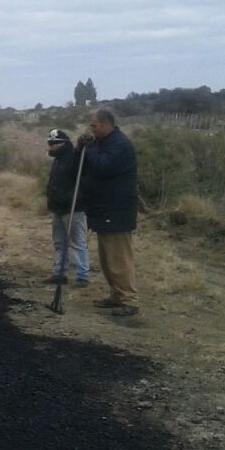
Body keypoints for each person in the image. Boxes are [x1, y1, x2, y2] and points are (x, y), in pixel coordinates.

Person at [78, 109, 139, 317]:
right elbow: (90, 165)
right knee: (107, 259)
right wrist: (86, 146)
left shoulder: (119, 145)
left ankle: (129, 300)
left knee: (119, 259)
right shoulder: (104, 143)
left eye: (94, 126)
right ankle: (116, 295)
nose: (91, 130)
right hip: (104, 210)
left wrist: (90, 148)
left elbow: (102, 166)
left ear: (106, 125)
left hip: (117, 211)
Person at [44, 129, 89, 287]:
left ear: (61, 144)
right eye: (49, 143)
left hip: (73, 208)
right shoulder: (58, 159)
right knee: (59, 243)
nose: (49, 147)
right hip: (58, 208)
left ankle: (83, 276)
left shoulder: (75, 158)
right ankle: (60, 273)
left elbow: (83, 181)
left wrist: (84, 145)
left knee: (77, 243)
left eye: (52, 144)